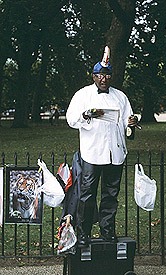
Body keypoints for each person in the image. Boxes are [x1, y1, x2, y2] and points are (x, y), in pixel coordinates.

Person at [66, 46, 137, 246]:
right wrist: (87, 115)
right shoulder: (82, 95)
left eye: (107, 75)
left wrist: (130, 123)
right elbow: (71, 120)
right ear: (94, 76)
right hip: (92, 152)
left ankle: (108, 230)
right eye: (100, 75)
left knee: (111, 194)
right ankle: (83, 232)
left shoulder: (120, 97)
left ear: (111, 77)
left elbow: (125, 121)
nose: (103, 79)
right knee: (87, 194)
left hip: (115, 153)